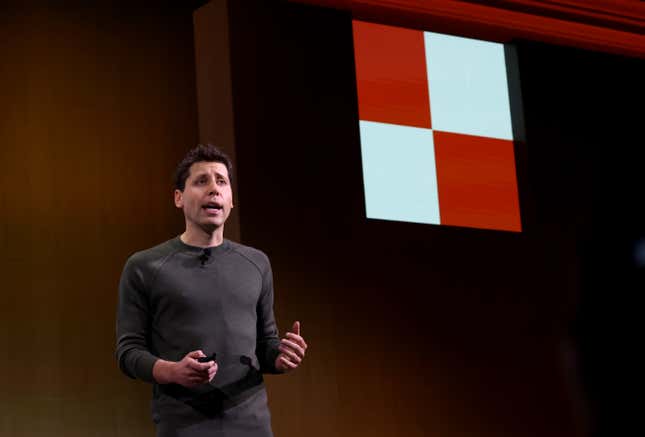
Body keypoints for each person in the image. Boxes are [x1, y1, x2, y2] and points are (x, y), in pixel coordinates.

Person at [115, 144, 307, 437]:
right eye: (201, 181)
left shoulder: (256, 263)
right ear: (179, 197)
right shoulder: (145, 266)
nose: (214, 189)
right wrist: (173, 371)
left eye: (221, 181)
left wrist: (280, 358)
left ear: (231, 201)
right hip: (184, 425)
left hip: (252, 425)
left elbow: (264, 345)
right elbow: (128, 353)